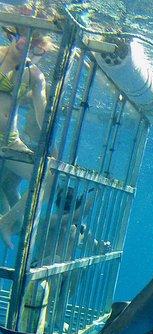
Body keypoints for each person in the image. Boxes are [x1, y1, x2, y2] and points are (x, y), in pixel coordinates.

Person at [0, 6, 57, 248]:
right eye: (26, 44)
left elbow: (43, 112)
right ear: (15, 36)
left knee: (46, 178)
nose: (29, 54)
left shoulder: (36, 76)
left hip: (9, 140)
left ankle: (6, 221)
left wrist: (51, 146)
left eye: (37, 51)